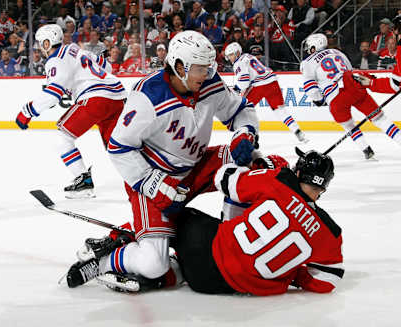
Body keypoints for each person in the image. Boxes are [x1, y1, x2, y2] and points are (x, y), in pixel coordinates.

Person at [65, 30, 260, 291]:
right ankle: (105, 261)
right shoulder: (148, 96)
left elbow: (241, 110)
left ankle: (231, 244)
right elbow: (119, 147)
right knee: (154, 264)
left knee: (254, 162)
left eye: (208, 67)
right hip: (154, 177)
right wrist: (155, 184)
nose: (207, 73)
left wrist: (245, 132)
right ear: (179, 66)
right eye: (200, 68)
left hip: (196, 166)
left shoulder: (209, 83)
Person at [175, 148, 344, 295]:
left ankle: (159, 263)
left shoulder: (280, 180)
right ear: (323, 188)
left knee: (177, 213)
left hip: (203, 253)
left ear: (298, 173)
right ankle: (173, 273)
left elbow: (223, 179)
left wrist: (251, 167)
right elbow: (330, 279)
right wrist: (289, 272)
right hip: (224, 286)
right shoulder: (331, 233)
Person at [14, 24, 127, 198]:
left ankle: (83, 181)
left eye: (40, 43)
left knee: (63, 135)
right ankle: (150, 175)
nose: (38, 47)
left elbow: (53, 95)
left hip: (95, 98)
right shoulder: (74, 49)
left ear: (47, 43)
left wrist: (27, 112)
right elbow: (108, 68)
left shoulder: (55, 60)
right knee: (119, 147)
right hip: (118, 95)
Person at [300, 33, 401, 160]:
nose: (308, 50)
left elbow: (311, 89)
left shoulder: (307, 62)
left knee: (349, 125)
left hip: (335, 97)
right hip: (352, 85)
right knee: (379, 118)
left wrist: (319, 100)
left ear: (313, 47)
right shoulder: (336, 52)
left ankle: (366, 149)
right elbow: (350, 70)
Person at [353, 13, 401, 163]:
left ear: (399, 29)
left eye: (394, 29)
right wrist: (371, 83)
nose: (393, 32)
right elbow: (395, 84)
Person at [225, 42, 307, 143]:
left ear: (237, 53)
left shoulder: (239, 63)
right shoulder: (248, 56)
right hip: (272, 82)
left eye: (231, 55)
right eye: (229, 56)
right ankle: (297, 130)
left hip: (259, 85)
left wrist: (235, 89)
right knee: (279, 110)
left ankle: (253, 136)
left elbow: (244, 83)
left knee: (243, 110)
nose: (230, 58)